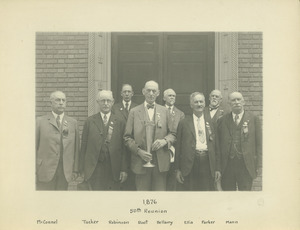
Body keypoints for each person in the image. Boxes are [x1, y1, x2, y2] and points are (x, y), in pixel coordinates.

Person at [124, 81, 176, 191]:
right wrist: (139, 151)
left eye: (154, 91)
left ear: (158, 93)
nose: (151, 93)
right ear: (143, 91)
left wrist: (165, 141)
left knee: (159, 196)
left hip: (160, 163)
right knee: (143, 196)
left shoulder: (165, 111)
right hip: (140, 162)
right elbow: (127, 137)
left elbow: (173, 134)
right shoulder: (134, 112)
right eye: (148, 90)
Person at [79, 90, 128, 190]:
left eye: (108, 101)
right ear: (98, 102)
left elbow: (124, 148)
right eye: (103, 101)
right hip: (95, 168)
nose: (106, 104)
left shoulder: (120, 121)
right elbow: (84, 146)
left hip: (114, 168)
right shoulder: (90, 121)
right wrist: (82, 169)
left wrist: (124, 169)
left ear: (113, 102)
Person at [175, 92, 221, 191]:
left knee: (206, 194)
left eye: (201, 101)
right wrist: (177, 169)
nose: (199, 104)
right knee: (190, 194)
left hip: (207, 163)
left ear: (204, 103)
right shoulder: (184, 123)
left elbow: (216, 147)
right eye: (196, 102)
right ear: (191, 105)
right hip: (189, 164)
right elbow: (178, 147)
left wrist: (217, 168)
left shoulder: (211, 123)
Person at [217, 92, 262, 191]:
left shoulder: (254, 119)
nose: (236, 102)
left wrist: (259, 164)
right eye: (233, 100)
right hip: (227, 165)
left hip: (245, 165)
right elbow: (218, 146)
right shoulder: (222, 120)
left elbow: (259, 144)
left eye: (238, 99)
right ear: (229, 103)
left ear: (243, 102)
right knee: (228, 194)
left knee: (245, 195)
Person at [36, 91, 80, 190]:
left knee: (61, 202)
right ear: (50, 103)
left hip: (65, 172)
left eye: (63, 100)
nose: (61, 102)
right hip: (44, 170)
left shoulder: (73, 123)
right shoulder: (40, 121)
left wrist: (75, 170)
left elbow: (76, 149)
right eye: (57, 100)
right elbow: (33, 148)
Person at [112, 84, 138, 190]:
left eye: (129, 92)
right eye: (124, 92)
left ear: (132, 94)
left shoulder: (138, 107)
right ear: (121, 94)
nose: (127, 94)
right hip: (119, 144)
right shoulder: (114, 108)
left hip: (133, 144)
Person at [163, 88, 185, 191]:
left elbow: (181, 133)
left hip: (174, 149)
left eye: (173, 96)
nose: (172, 97)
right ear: (164, 98)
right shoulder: (159, 110)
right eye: (169, 95)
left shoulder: (180, 114)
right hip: (161, 148)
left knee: (172, 178)